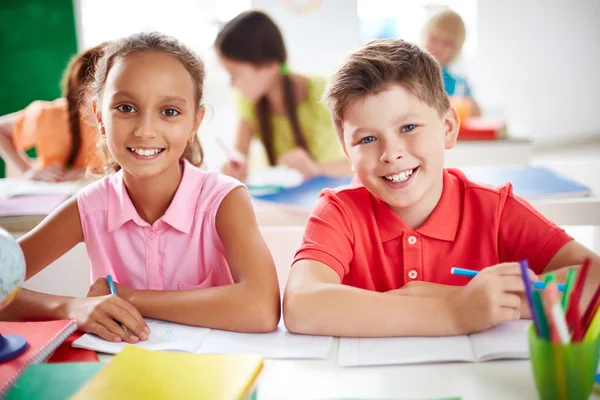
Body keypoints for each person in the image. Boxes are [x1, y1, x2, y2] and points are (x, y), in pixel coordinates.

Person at [282, 39, 599, 337]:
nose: (390, 153)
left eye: (408, 127)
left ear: (447, 127)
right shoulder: (339, 211)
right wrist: (455, 310)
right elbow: (300, 304)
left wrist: (493, 303)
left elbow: (593, 275)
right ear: (347, 150)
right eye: (366, 139)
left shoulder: (495, 209)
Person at [0, 32, 281, 342]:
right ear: (98, 116)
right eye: (125, 108)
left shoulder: (222, 200)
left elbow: (262, 308)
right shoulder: (90, 207)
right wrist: (71, 307)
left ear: (194, 124)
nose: (146, 130)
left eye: (169, 112)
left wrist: (128, 297)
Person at [215, 10, 350, 181]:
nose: (232, 84)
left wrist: (316, 168)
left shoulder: (325, 92)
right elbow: (239, 157)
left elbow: (359, 163)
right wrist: (233, 169)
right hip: (281, 200)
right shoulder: (248, 101)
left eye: (235, 74)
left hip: (331, 193)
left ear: (269, 66)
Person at [0, 43, 107, 181]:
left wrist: (93, 176)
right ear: (79, 95)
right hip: (54, 195)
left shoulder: (132, 120)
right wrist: (27, 170)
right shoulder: (50, 117)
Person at [422, 9, 481, 117]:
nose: (438, 47)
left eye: (447, 44)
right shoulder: (410, 72)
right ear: (425, 35)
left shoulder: (456, 82)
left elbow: (477, 113)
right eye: (434, 39)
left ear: (456, 50)